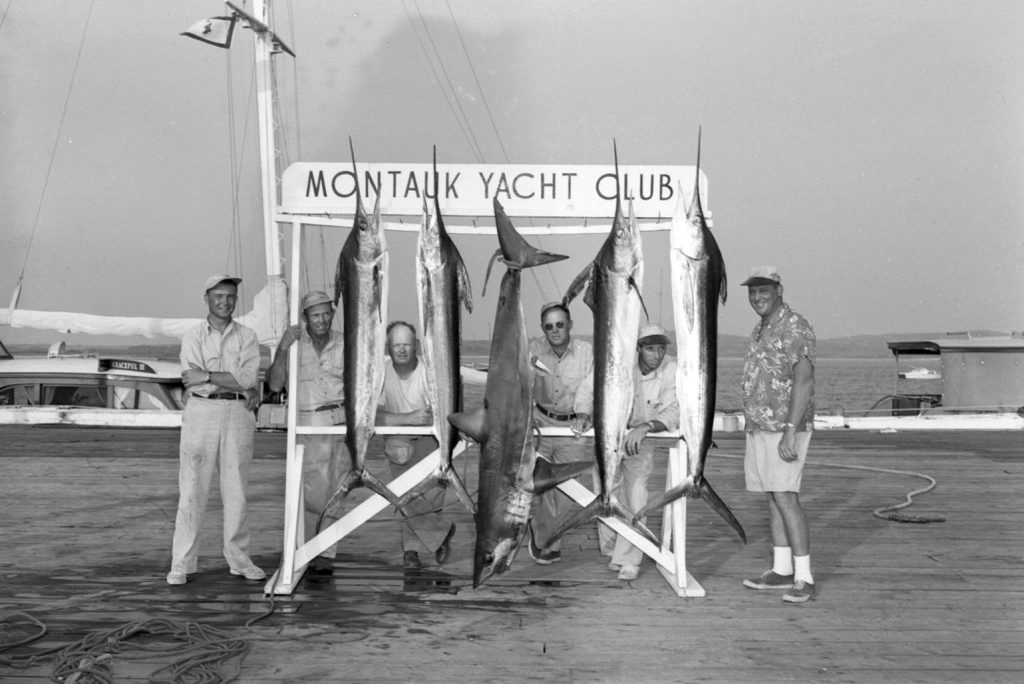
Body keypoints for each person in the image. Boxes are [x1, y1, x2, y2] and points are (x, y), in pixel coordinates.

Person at [167, 275, 264, 585]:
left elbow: (248, 379)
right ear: (206, 298)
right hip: (201, 412)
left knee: (236, 492)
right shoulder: (192, 336)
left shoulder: (248, 336)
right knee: (192, 492)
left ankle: (239, 559)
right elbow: (189, 378)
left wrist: (208, 374)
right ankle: (182, 563)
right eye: (219, 295)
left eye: (231, 296)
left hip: (237, 413)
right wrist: (229, 379)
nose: (225, 301)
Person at [739, 266, 818, 603]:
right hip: (760, 426)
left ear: (779, 290)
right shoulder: (760, 329)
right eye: (753, 292)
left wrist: (790, 431)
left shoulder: (795, 326)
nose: (758, 297)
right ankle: (782, 570)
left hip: (785, 428)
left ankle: (805, 577)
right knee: (772, 496)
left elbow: (804, 381)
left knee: (786, 495)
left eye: (764, 291)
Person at [585, 323, 679, 581]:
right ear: (638, 348)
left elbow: (673, 410)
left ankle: (629, 559)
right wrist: (584, 414)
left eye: (661, 348)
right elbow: (588, 389)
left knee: (636, 494)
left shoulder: (671, 368)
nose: (657, 355)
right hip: (609, 437)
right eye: (650, 348)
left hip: (641, 440)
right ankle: (613, 550)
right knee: (604, 492)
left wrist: (646, 427)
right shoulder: (618, 362)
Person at [266, 290, 347, 575]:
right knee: (313, 494)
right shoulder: (294, 344)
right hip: (310, 424)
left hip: (342, 423)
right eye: (315, 315)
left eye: (326, 313)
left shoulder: (345, 343)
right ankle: (308, 547)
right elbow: (275, 385)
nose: (322, 319)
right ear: (305, 317)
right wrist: (283, 348)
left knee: (338, 491)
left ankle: (325, 553)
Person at [377, 321, 456, 570]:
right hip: (397, 440)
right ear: (388, 347)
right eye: (396, 345)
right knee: (407, 496)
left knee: (431, 498)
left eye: (407, 345)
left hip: (431, 441)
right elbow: (372, 416)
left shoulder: (431, 371)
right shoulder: (380, 372)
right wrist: (407, 419)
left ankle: (412, 552)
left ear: (417, 346)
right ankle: (439, 534)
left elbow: (443, 410)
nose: (401, 350)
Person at [527, 301, 594, 564]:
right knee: (536, 484)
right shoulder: (534, 349)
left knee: (567, 487)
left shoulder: (586, 352)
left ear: (570, 326)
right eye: (549, 326)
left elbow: (591, 387)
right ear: (543, 329)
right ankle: (546, 536)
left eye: (560, 325)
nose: (555, 330)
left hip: (572, 427)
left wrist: (584, 415)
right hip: (541, 423)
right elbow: (524, 382)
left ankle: (542, 536)